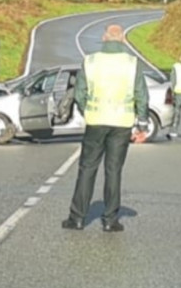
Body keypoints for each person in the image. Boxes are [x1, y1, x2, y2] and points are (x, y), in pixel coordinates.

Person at [62, 24, 149, 232]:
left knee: (87, 169)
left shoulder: (91, 61)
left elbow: (79, 93)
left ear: (104, 38)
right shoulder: (132, 63)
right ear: (123, 40)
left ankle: (78, 218)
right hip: (122, 123)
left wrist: (88, 112)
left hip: (96, 120)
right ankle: (110, 220)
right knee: (113, 170)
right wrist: (142, 123)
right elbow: (141, 94)